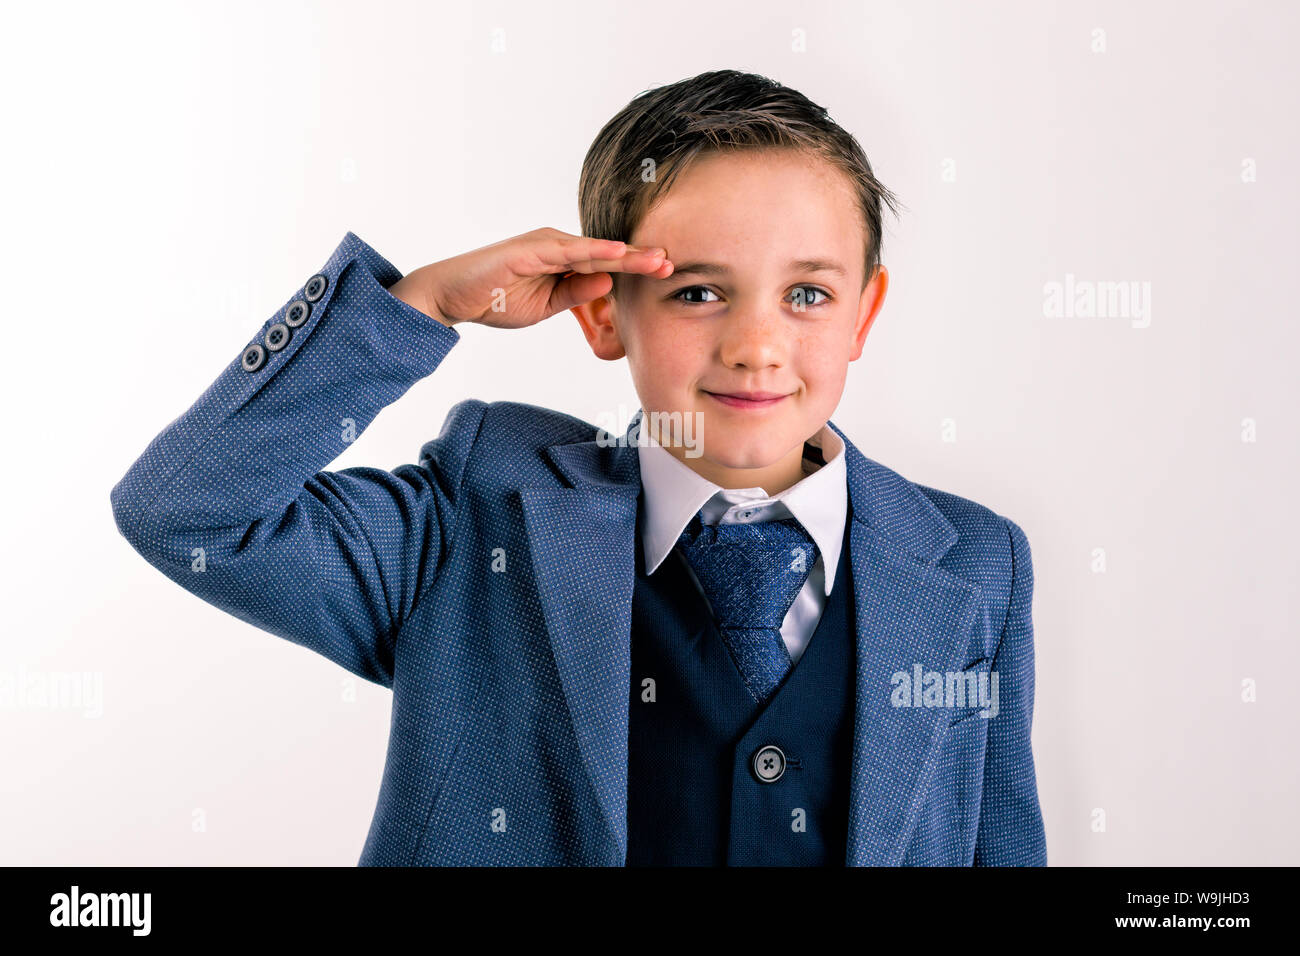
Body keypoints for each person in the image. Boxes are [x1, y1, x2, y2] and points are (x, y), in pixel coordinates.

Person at [110, 69, 1046, 866]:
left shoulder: (974, 563)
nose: (757, 346)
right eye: (698, 292)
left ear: (863, 316)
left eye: (807, 293)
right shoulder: (478, 517)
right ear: (604, 313)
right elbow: (189, 513)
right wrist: (415, 309)